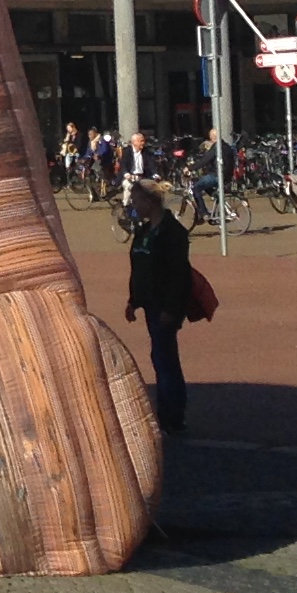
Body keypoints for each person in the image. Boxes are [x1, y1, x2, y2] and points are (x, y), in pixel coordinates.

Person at [121, 179, 192, 435]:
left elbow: (179, 275)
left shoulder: (172, 232)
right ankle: (168, 413)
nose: (133, 206)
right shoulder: (144, 231)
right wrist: (133, 300)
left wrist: (171, 310)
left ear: (150, 202)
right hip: (151, 302)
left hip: (165, 304)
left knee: (165, 357)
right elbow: (138, 267)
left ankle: (171, 415)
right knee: (161, 356)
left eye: (136, 201)